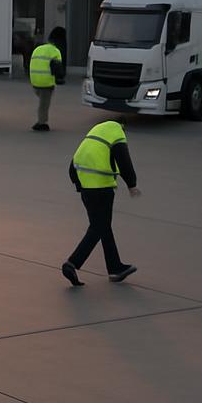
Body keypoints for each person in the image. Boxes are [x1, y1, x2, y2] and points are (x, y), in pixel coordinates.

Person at [62, 118, 140, 286]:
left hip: (86, 188)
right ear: (123, 127)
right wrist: (132, 184)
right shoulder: (117, 133)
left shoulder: (94, 134)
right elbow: (123, 160)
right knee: (99, 227)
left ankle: (115, 268)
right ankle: (72, 263)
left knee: (103, 226)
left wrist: (79, 186)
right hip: (102, 189)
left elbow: (73, 163)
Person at [29, 31, 65, 131]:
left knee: (42, 101)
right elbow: (57, 67)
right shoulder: (55, 51)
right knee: (44, 104)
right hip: (46, 82)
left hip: (35, 81)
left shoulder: (38, 49)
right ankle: (42, 123)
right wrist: (60, 78)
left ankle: (41, 121)